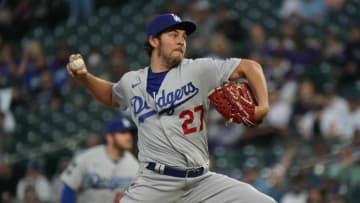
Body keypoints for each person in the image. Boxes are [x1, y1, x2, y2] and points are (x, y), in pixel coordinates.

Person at [67, 13, 275, 203]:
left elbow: (250, 67)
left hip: (201, 182)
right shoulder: (132, 82)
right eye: (173, 35)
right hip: (154, 184)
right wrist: (85, 78)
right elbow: (112, 96)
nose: (181, 41)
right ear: (153, 40)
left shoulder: (199, 69)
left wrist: (263, 106)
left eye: (184, 37)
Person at [60, 117, 139, 203]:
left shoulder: (134, 164)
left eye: (130, 133)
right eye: (123, 133)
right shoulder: (86, 158)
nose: (128, 137)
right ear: (110, 137)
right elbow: (69, 188)